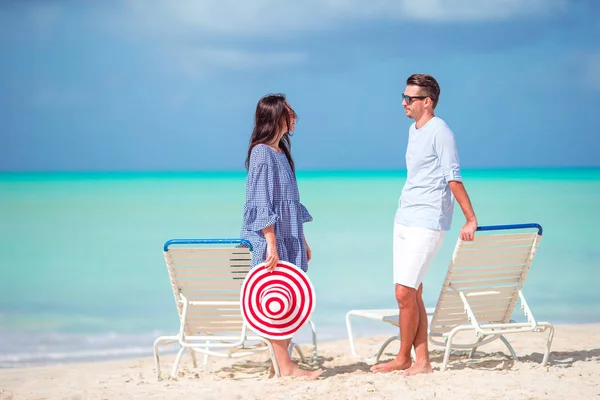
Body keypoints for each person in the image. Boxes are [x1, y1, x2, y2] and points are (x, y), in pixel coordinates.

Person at [370, 74, 478, 376]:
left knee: (403, 293)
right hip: (404, 218)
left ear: (427, 102)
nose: (404, 103)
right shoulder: (413, 130)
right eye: (403, 97)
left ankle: (403, 357)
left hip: (428, 221)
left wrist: (470, 218)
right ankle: (422, 361)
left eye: (410, 98)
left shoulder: (441, 132)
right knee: (413, 293)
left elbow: (452, 177)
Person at [240, 93, 322, 379]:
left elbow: (289, 203)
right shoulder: (262, 153)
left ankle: (283, 366)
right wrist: (271, 245)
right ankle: (286, 367)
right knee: (277, 299)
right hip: (271, 239)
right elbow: (262, 202)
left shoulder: (281, 153)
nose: (295, 117)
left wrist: (303, 239)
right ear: (277, 117)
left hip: (289, 236)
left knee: (288, 298)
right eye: (290, 113)